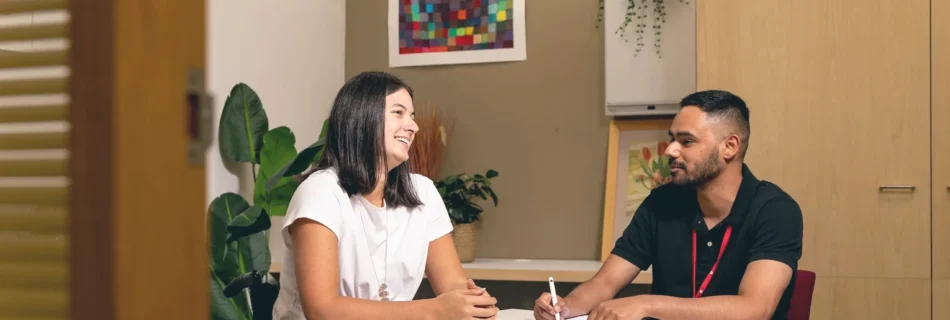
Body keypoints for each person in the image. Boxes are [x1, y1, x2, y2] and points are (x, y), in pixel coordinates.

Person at [534, 90, 803, 320]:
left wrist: (645, 304)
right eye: (672, 138)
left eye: (686, 141)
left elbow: (754, 308)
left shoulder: (775, 211)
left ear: (729, 147)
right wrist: (566, 305)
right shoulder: (662, 202)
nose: (670, 150)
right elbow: (606, 282)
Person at [273, 71, 498, 320]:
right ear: (363, 117)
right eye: (399, 112)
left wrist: (473, 303)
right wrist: (435, 310)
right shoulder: (320, 193)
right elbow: (322, 309)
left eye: (412, 116)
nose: (413, 126)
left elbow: (453, 285)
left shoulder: (423, 192)